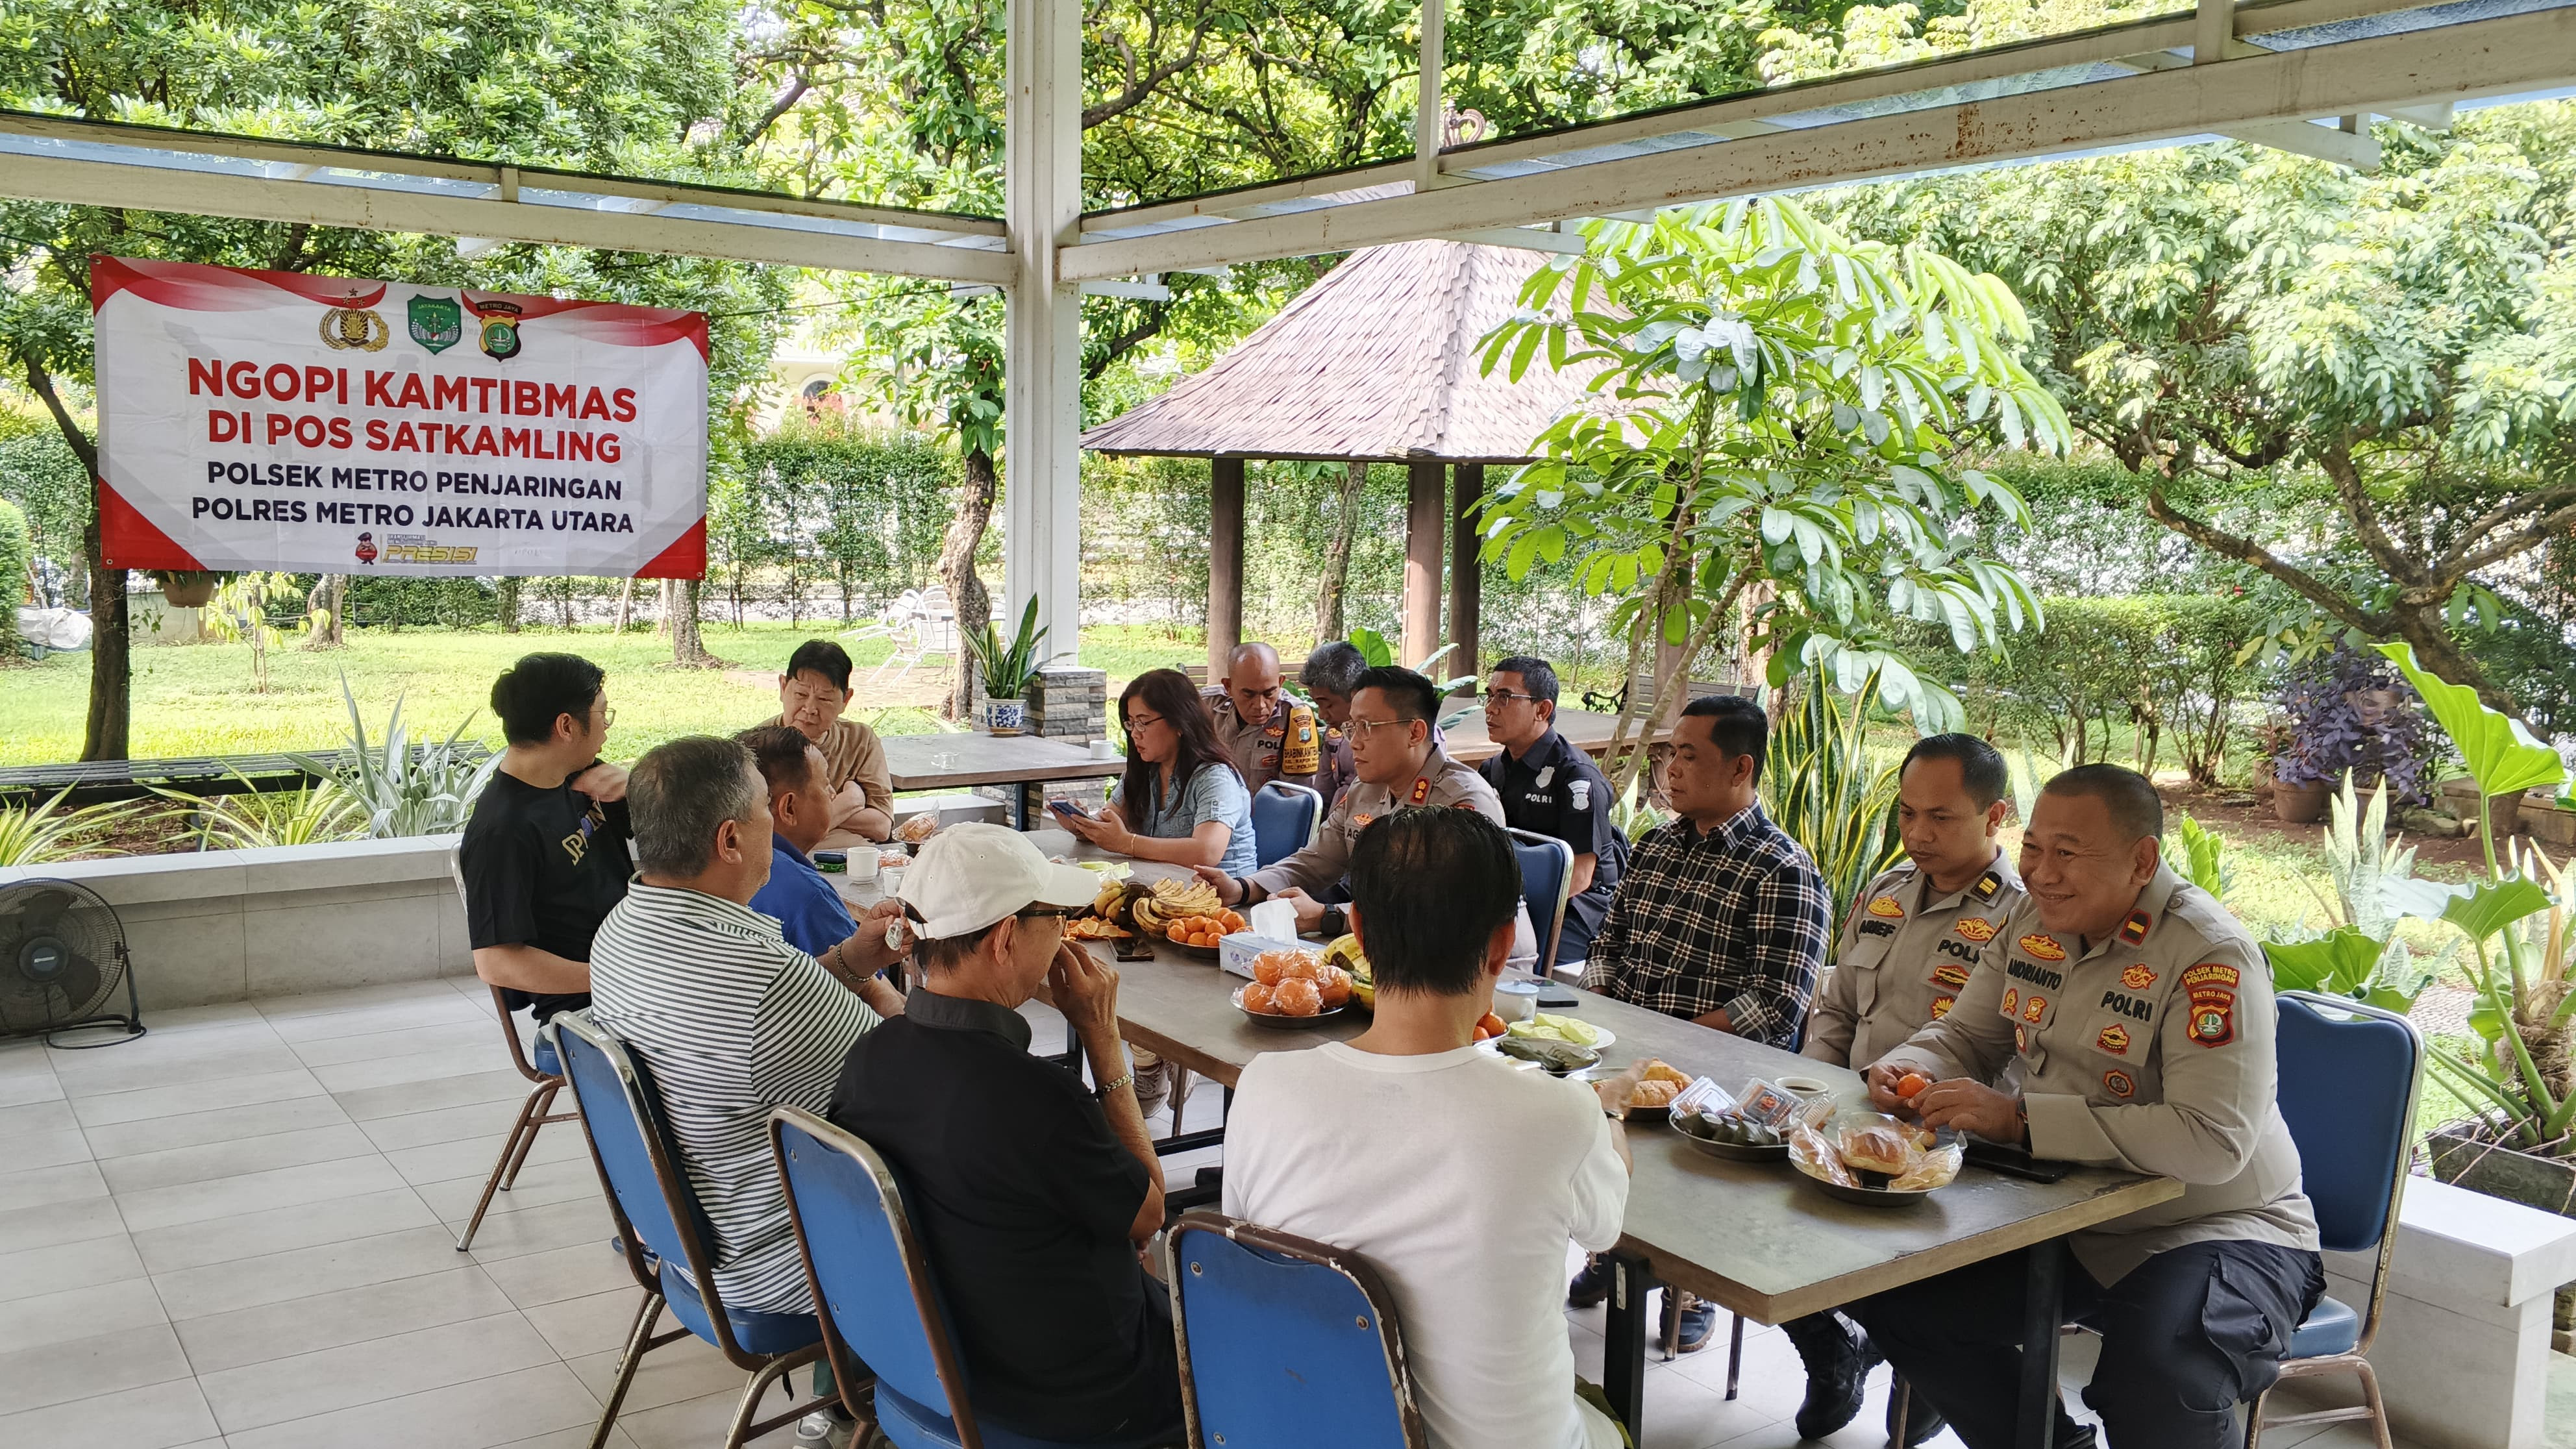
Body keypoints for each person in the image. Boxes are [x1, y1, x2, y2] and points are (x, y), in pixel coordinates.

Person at [1850, 765, 2323, 1449]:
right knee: (1898, 1298)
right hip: (2073, 1217)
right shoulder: (2030, 919)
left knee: (2158, 1375)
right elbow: (1966, 1037)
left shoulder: (2209, 956)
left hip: (2219, 1226)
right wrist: (1910, 1066)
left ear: (2142, 861)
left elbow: (2212, 1140)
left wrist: (2020, 1121)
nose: (2042, 874)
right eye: (2033, 848)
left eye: (2067, 853)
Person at [1226, 808, 1642, 1449]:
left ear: (1358, 933)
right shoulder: (1559, 1114)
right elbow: (1604, 1229)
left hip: (1312, 1428)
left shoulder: (1263, 1088)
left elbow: (1247, 1249)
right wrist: (1608, 1114)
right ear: (1502, 946)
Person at [829, 825, 1183, 1444]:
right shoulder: (1037, 1096)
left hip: (930, 1369)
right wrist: (1104, 1040)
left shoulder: (868, 1059)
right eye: (1055, 919)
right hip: (1078, 1398)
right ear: (1004, 938)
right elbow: (1148, 1213)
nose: (1064, 936)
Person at [586, 736, 908, 1320]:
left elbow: (756, 1019)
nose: (773, 824)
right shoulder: (764, 980)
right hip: (780, 1265)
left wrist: (849, 962)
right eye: (764, 807)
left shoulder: (619, 928)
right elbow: (918, 1070)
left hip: (693, 1243)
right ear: (730, 840)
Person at [1781, 733, 2025, 1444]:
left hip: (1950, 1144)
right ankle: (1833, 1346)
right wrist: (1817, 1098)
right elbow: (1835, 1007)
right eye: (1907, 813)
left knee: (1915, 1286)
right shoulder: (1885, 893)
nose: (1917, 833)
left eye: (1940, 817)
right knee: (1757, 1206)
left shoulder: (2023, 918)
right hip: (1851, 1117)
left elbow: (2001, 1057)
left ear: (1994, 816)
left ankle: (1914, 1361)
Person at [1570, 693, 1830, 1352]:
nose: (1672, 770)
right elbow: (1607, 945)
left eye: (1689, 755)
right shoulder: (1657, 845)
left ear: (1741, 768)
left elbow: (1775, 1005)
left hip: (1714, 1080)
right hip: (1625, 1052)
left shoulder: (1781, 868)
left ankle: (1691, 1286)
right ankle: (1610, 1245)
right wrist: (1610, 1021)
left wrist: (1662, 1048)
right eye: (1670, 755)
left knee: (1690, 1146)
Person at [1200, 665, 1530, 963]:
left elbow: (1438, 911)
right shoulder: (1365, 789)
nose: (1354, 743)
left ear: (1415, 733)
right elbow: (1315, 861)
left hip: (1479, 964)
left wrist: (1330, 916)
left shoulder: (1465, 801)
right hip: (1388, 950)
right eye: (1352, 727)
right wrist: (1243, 887)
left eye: (1367, 727)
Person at [460, 652, 632, 1026]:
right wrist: (620, 979)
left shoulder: (580, 775)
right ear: (566, 726)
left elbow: (678, 838)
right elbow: (496, 961)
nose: (607, 728)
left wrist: (638, 785)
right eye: (603, 714)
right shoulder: (502, 831)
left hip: (634, 965)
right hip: (592, 1008)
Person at [1476, 656, 1627, 967]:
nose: (1490, 708)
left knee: (1527, 967)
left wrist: (1512, 916)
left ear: (1542, 710)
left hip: (1577, 905)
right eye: (1489, 696)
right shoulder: (1492, 770)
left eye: (1504, 697)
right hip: (1513, 900)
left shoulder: (1576, 776)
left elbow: (1581, 877)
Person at [739, 724, 911, 971]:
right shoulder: (807, 897)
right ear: (789, 809)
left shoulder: (725, 868)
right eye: (825, 784)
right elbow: (864, 987)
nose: (832, 794)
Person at [1061, 667, 1258, 876]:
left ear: (1180, 722)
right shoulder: (1145, 770)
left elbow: (1207, 852)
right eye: (1131, 723)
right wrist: (1080, 825)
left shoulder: (1215, 777)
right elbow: (1108, 826)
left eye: (1143, 722)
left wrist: (1127, 843)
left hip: (1219, 893)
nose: (1135, 734)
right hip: (1161, 885)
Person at [762, 639, 893, 848]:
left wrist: (803, 820)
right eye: (801, 695)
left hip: (856, 860)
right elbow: (771, 835)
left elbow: (881, 825)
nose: (810, 709)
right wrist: (850, 802)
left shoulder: (860, 740)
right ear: (783, 687)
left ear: (846, 700)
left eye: (824, 699)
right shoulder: (757, 744)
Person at [1203, 641, 1331, 796]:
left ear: (1281, 683)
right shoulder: (1205, 707)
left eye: (1269, 693)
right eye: (1248, 694)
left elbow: (1296, 795)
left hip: (1267, 809)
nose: (1260, 705)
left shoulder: (1295, 717)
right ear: (1228, 686)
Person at [1296, 639, 1365, 808]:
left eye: (1328, 705)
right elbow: (1322, 794)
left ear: (1355, 694)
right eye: (1318, 705)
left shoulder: (1384, 734)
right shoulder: (1334, 734)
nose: (1322, 715)